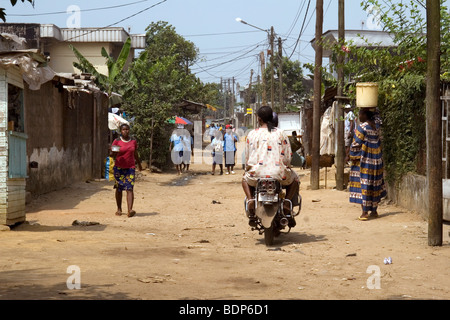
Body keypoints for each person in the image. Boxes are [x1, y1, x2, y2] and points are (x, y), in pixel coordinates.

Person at [242, 106, 299, 227]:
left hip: (256, 174)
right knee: (295, 180)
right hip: (279, 174)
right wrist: (286, 166)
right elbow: (288, 156)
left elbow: (247, 157)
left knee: (244, 179)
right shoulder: (281, 133)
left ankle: (251, 199)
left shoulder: (252, 134)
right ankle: (287, 203)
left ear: (259, 119)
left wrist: (248, 169)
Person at [348, 108, 387, 221]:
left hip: (366, 160)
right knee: (375, 184)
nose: (359, 116)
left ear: (365, 115)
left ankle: (365, 212)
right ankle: (374, 211)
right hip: (377, 159)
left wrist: (350, 155)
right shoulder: (376, 127)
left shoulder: (362, 127)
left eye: (360, 113)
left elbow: (356, 144)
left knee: (364, 184)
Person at [110, 123, 142, 218]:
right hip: (119, 167)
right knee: (119, 188)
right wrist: (113, 152)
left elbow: (135, 153)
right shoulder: (117, 141)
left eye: (127, 129)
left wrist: (139, 164)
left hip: (130, 168)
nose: (125, 131)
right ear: (121, 131)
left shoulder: (133, 141)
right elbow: (112, 154)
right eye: (123, 129)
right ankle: (119, 209)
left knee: (130, 188)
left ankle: (130, 210)